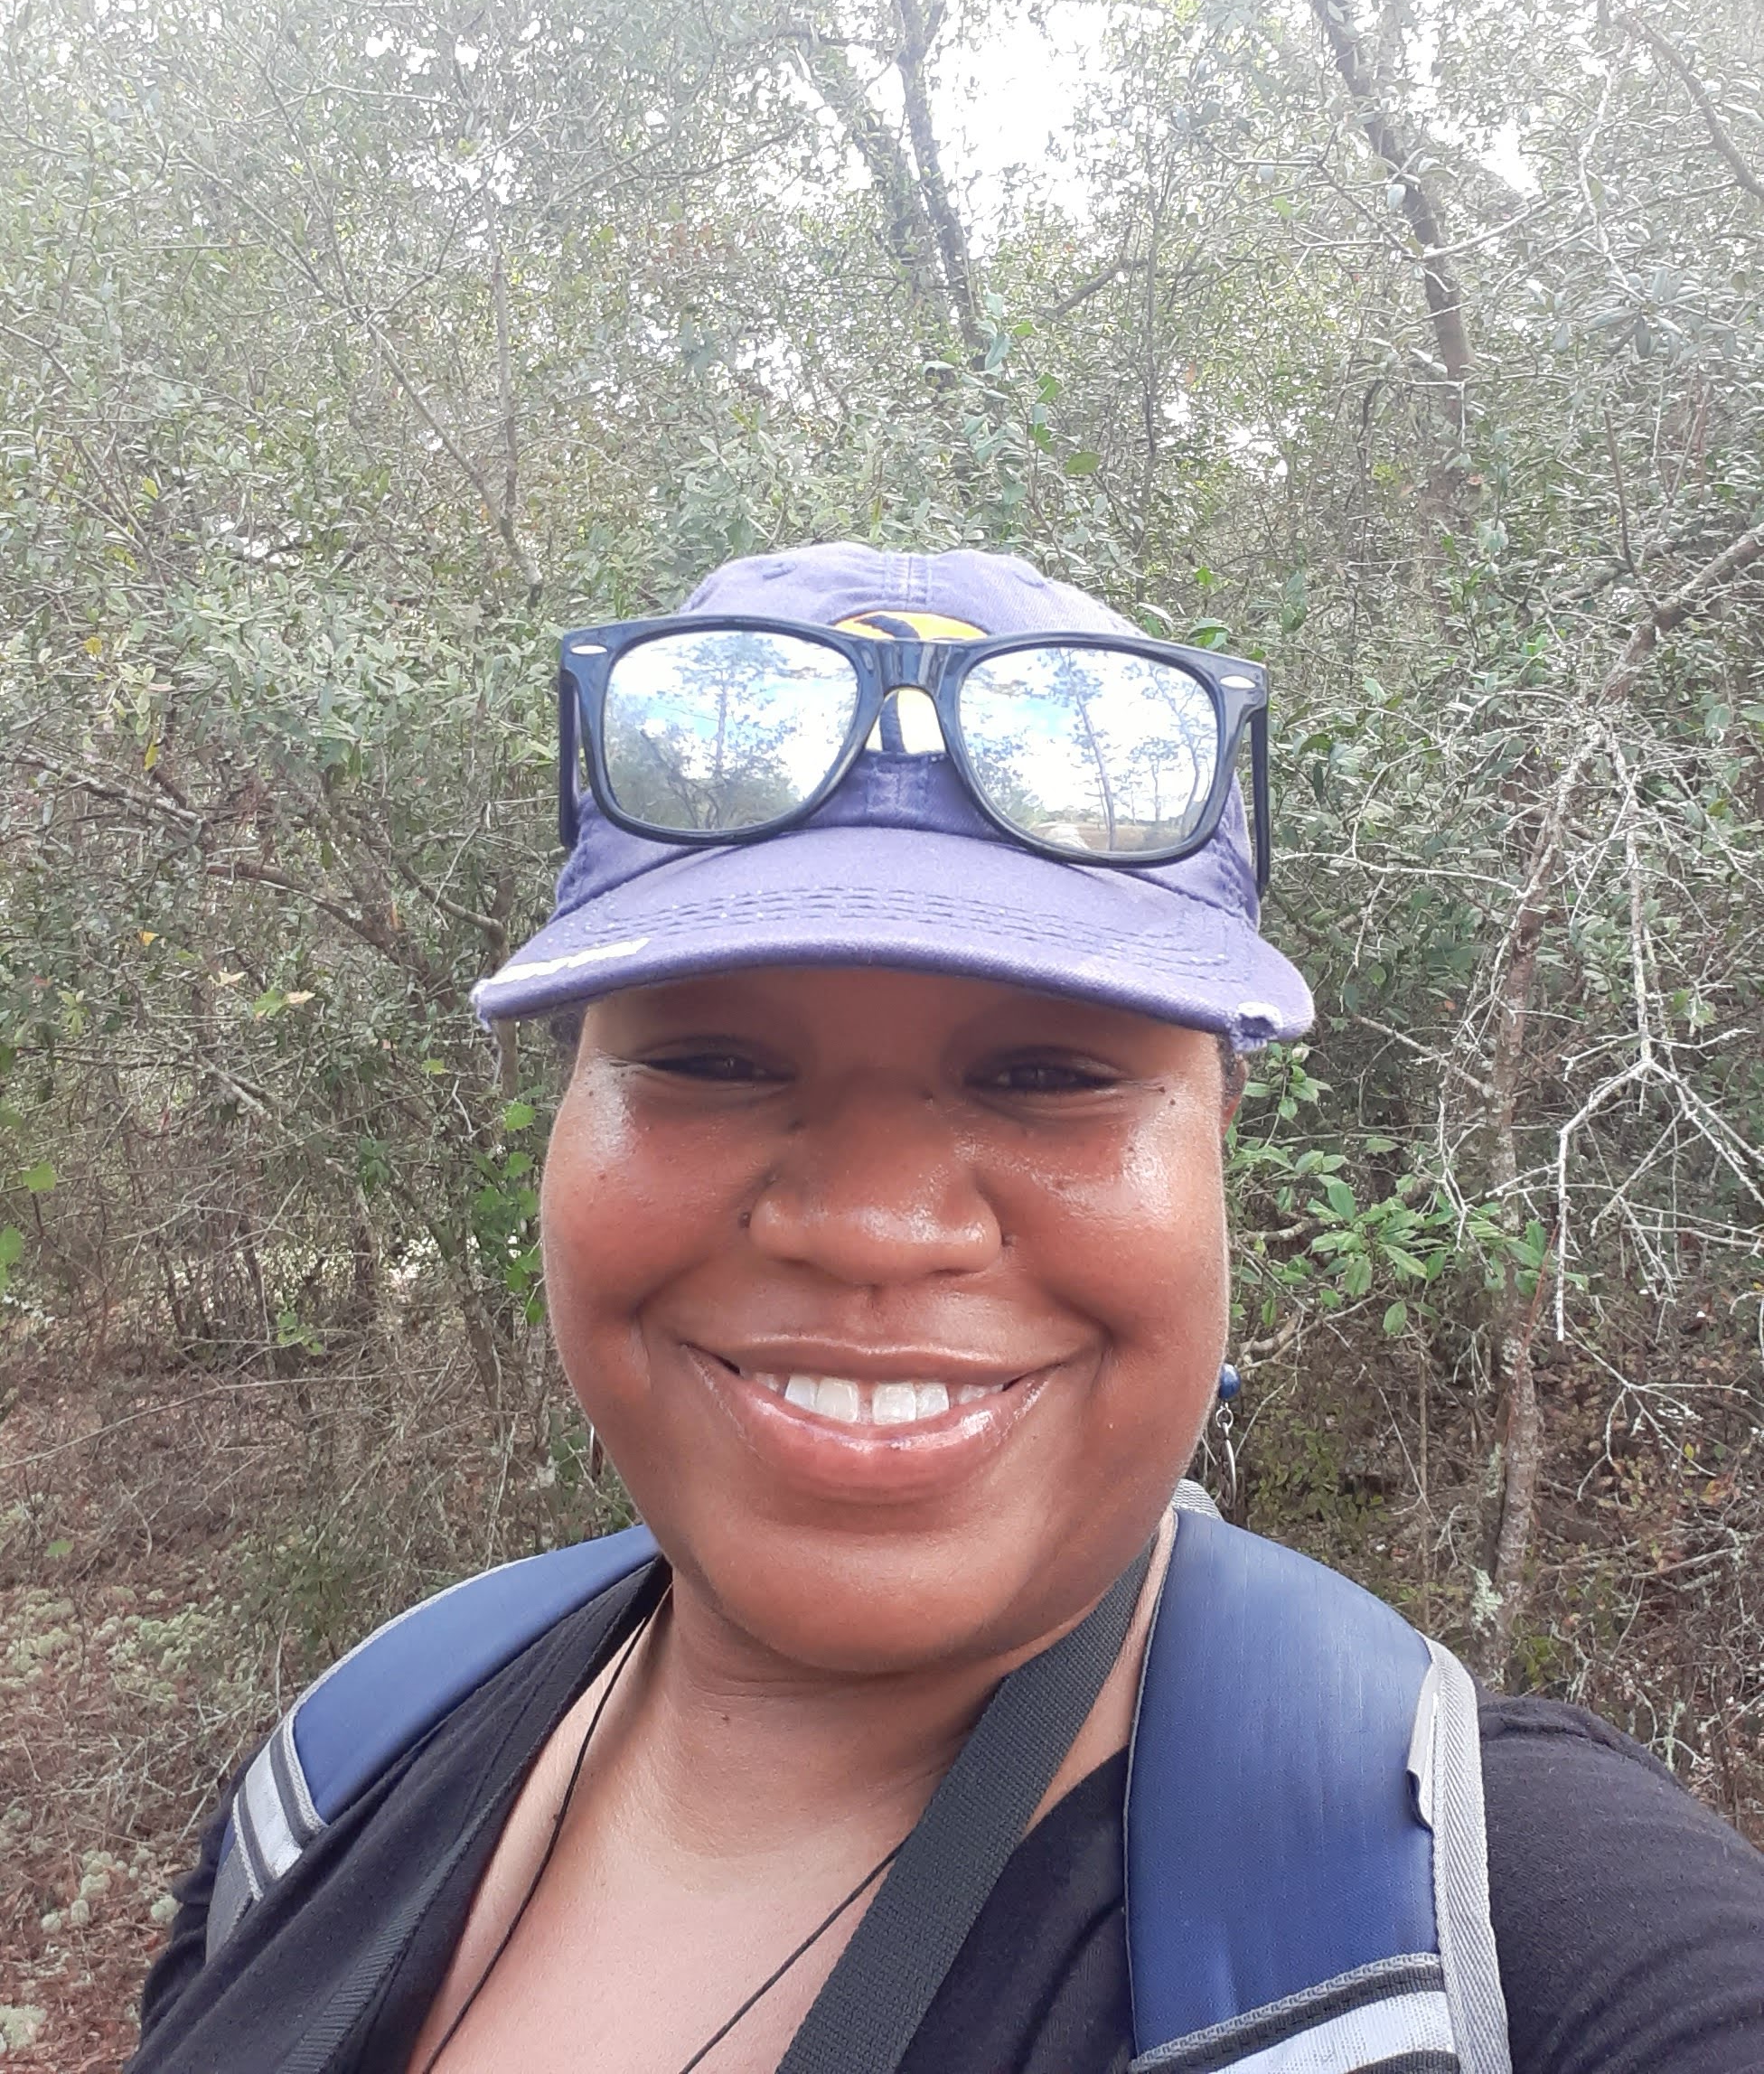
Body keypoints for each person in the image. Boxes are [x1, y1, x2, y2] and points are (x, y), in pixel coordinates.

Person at [129, 542, 1764, 2074]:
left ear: (1219, 1155)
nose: (872, 1230)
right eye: (709, 1059)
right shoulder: (338, 1772)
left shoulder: (1497, 1931)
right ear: (565, 1119)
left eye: (1049, 1074)